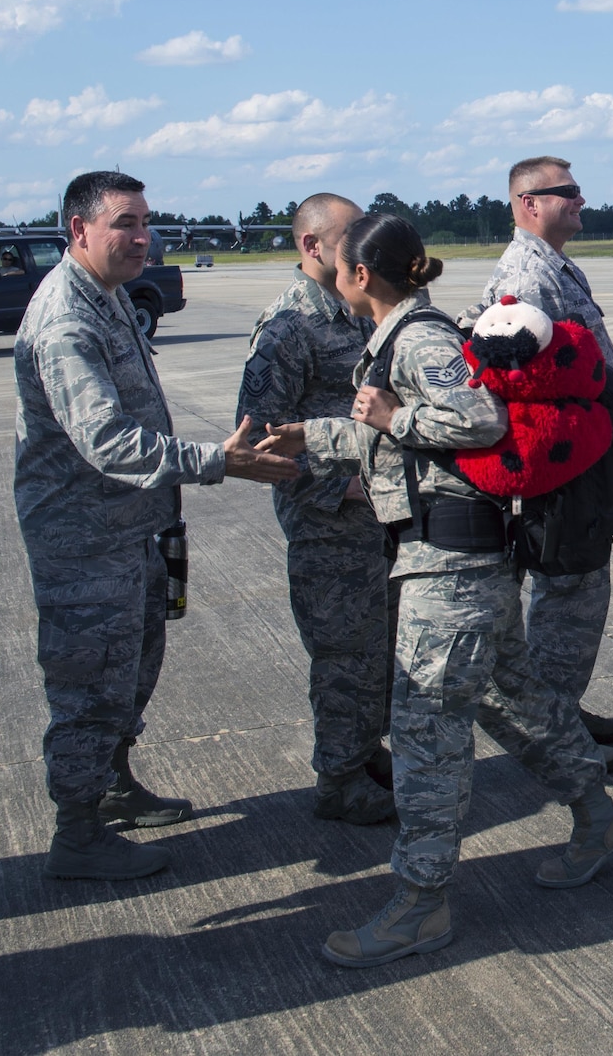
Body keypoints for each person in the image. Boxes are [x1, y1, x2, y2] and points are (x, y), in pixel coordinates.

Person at [263, 213, 613, 968]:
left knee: (429, 733)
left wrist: (396, 414)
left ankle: (420, 902)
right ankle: (599, 815)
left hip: (449, 568)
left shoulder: (421, 339)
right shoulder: (397, 339)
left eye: (339, 262)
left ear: (361, 275)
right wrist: (310, 437)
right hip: (458, 565)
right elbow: (390, 438)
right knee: (516, 703)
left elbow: (474, 417)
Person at [15, 171, 297, 881]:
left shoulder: (103, 296)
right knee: (89, 683)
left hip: (130, 529)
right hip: (85, 542)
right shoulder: (67, 319)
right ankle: (76, 833)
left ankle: (110, 784)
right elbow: (107, 441)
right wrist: (216, 460)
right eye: (124, 224)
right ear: (78, 230)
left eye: (146, 222)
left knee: (133, 668)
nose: (143, 237)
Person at [235, 192, 394, 825]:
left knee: (379, 647)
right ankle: (339, 780)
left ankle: (362, 751)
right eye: (350, 235)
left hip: (378, 515)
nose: (364, 247)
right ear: (312, 245)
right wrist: (337, 488)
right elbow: (255, 438)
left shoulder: (357, 309)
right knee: (344, 655)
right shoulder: (288, 327)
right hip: (329, 523)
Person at [483, 156, 613, 756]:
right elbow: (517, 384)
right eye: (566, 192)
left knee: (577, 591)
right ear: (529, 203)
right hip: (559, 472)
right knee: (568, 593)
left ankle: (560, 711)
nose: (580, 199)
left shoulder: (555, 266)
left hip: (582, 460)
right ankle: (555, 736)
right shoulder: (525, 275)